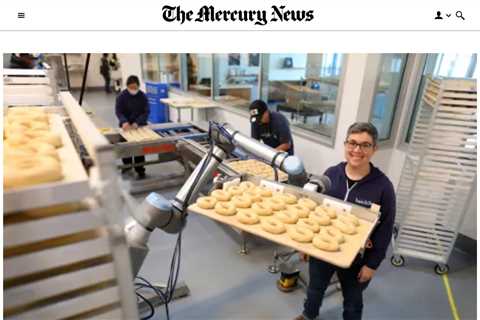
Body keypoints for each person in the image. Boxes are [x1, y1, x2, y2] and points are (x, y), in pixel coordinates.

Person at [295, 122, 396, 320]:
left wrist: (372, 265)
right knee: (315, 287)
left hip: (357, 258)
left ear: (374, 149)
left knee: (353, 298)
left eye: (365, 145)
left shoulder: (383, 187)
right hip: (323, 248)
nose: (357, 150)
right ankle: (308, 315)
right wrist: (305, 245)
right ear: (345, 145)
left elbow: (385, 229)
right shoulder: (331, 174)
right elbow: (315, 211)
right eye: (352, 143)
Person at [115, 75, 150, 179]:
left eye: (135, 87)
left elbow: (146, 112)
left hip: (139, 125)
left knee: (139, 149)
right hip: (125, 126)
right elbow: (118, 111)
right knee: (126, 147)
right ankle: (127, 166)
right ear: (127, 87)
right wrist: (124, 122)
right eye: (130, 88)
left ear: (138, 86)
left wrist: (137, 122)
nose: (133, 90)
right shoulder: (121, 96)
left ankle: (140, 169)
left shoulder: (142, 96)